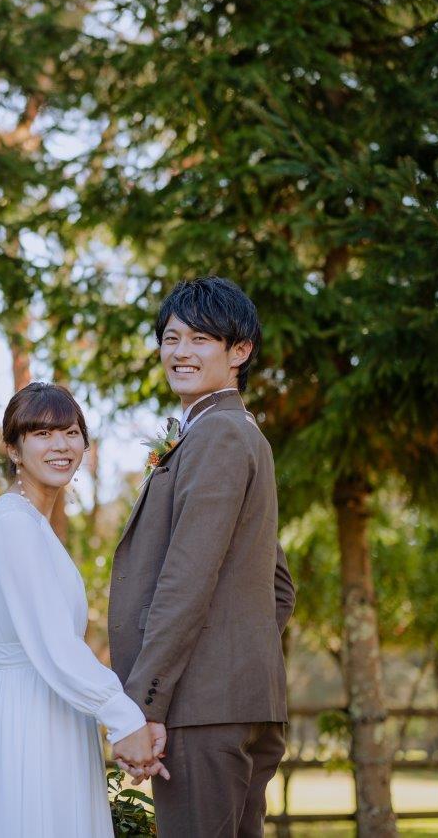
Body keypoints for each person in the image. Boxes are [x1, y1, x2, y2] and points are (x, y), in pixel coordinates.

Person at [109, 276, 296, 837]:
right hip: (240, 704)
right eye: (171, 338)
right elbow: (279, 587)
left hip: (202, 711)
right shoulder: (236, 431)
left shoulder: (217, 434)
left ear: (240, 351)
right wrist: (237, 655)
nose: (180, 352)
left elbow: (186, 579)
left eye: (200, 339)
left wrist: (146, 705)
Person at [0, 382, 168, 837]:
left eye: (71, 433)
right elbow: (54, 643)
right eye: (42, 434)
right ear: (14, 449)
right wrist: (124, 719)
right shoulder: (13, 523)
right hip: (28, 715)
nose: (61, 445)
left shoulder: (33, 523)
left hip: (57, 707)